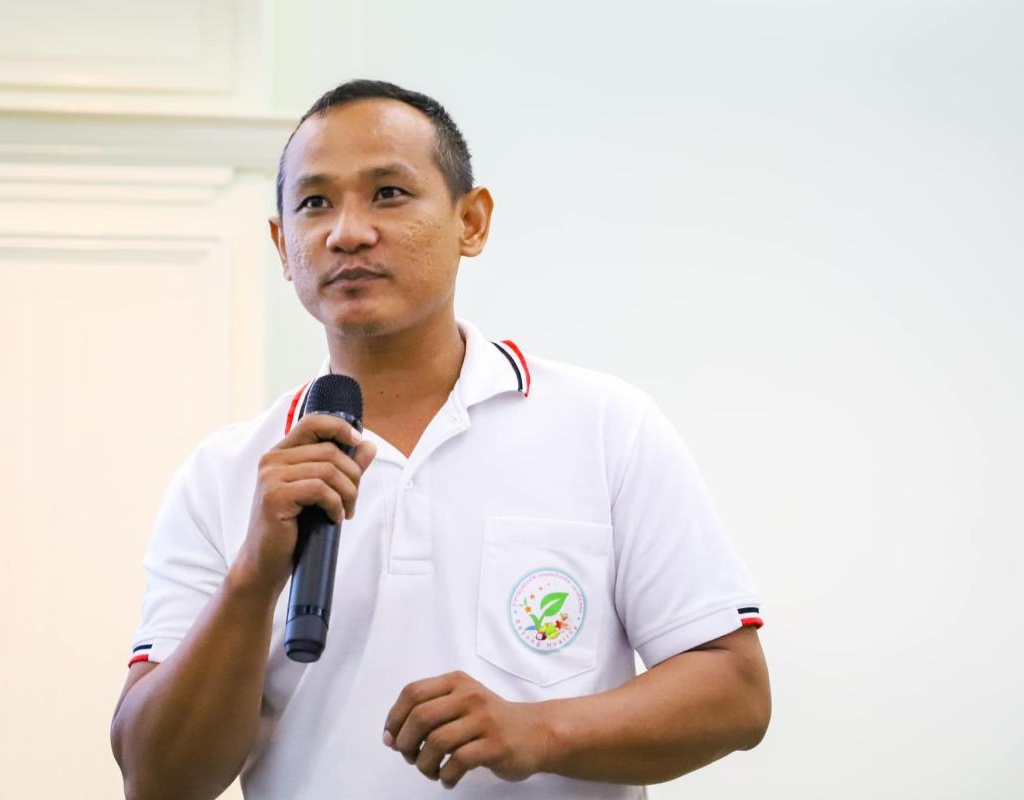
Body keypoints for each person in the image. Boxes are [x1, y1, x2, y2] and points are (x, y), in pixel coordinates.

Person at [110, 79, 771, 800]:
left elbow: (735, 692)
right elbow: (158, 779)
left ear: (471, 222)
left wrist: (538, 731)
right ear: (283, 246)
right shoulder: (224, 474)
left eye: (388, 193)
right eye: (314, 203)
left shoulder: (607, 426)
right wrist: (252, 576)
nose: (347, 232)